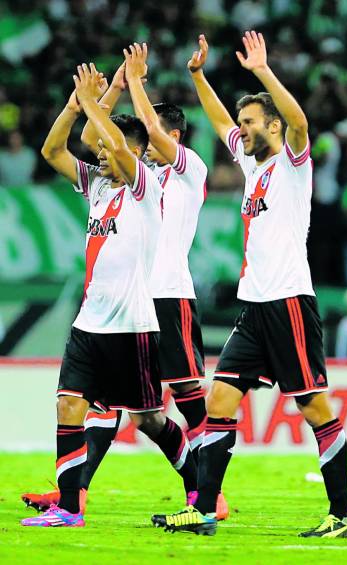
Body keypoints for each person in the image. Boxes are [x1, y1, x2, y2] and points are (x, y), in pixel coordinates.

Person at [151, 32, 347, 538]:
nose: (239, 130)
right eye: (241, 123)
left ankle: (341, 515)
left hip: (288, 300)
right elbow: (219, 121)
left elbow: (302, 123)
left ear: (273, 126)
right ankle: (202, 509)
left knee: (314, 406)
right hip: (255, 305)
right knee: (220, 400)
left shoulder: (292, 164)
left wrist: (263, 73)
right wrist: (198, 76)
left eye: (250, 122)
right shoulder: (251, 164)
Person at [21, 45, 226, 518]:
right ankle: (71, 504)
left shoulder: (147, 183)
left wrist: (106, 93)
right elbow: (55, 149)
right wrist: (79, 103)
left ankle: (203, 490)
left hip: (137, 320)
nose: (98, 151)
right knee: (71, 404)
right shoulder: (97, 184)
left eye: (108, 148)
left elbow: (114, 142)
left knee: (152, 418)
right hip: (90, 321)